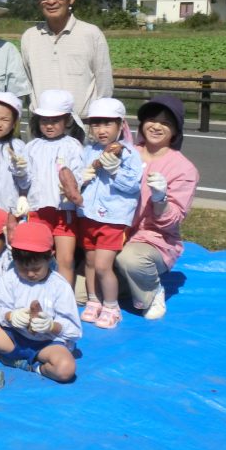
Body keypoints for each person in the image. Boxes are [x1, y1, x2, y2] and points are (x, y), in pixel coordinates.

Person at [0, 221, 81, 394]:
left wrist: (52, 326)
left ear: (50, 257)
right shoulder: (9, 278)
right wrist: (10, 316)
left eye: (36, 269)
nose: (29, 274)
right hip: (13, 337)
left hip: (46, 344)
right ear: (14, 259)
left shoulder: (60, 286)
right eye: (23, 268)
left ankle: (34, 367)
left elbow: (74, 330)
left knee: (66, 369)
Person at [115, 95, 199, 320]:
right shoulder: (127, 152)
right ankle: (125, 283)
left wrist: (161, 198)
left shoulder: (183, 168)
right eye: (152, 119)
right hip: (115, 235)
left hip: (154, 240)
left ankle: (152, 293)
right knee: (81, 294)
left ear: (175, 131)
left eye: (166, 123)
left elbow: (173, 220)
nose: (156, 126)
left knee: (131, 259)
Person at [76, 98, 144, 330]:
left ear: (120, 125)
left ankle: (112, 306)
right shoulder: (88, 151)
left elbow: (134, 186)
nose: (101, 130)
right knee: (90, 261)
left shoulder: (128, 153)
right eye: (96, 125)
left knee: (104, 266)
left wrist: (114, 170)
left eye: (107, 124)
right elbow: (77, 179)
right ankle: (94, 301)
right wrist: (80, 179)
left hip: (113, 218)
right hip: (88, 214)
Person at [20, 0, 113, 118]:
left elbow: (104, 85)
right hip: (42, 126)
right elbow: (27, 84)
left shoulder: (91, 34)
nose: (51, 1)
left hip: (82, 127)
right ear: (39, 1)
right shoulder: (30, 37)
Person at [23, 89, 86, 287]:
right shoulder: (32, 147)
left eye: (55, 120)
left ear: (67, 120)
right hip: (38, 210)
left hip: (63, 211)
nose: (49, 126)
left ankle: (64, 299)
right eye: (44, 120)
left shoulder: (73, 146)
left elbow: (79, 175)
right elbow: (26, 179)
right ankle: (38, 293)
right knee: (37, 255)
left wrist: (72, 187)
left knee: (65, 259)